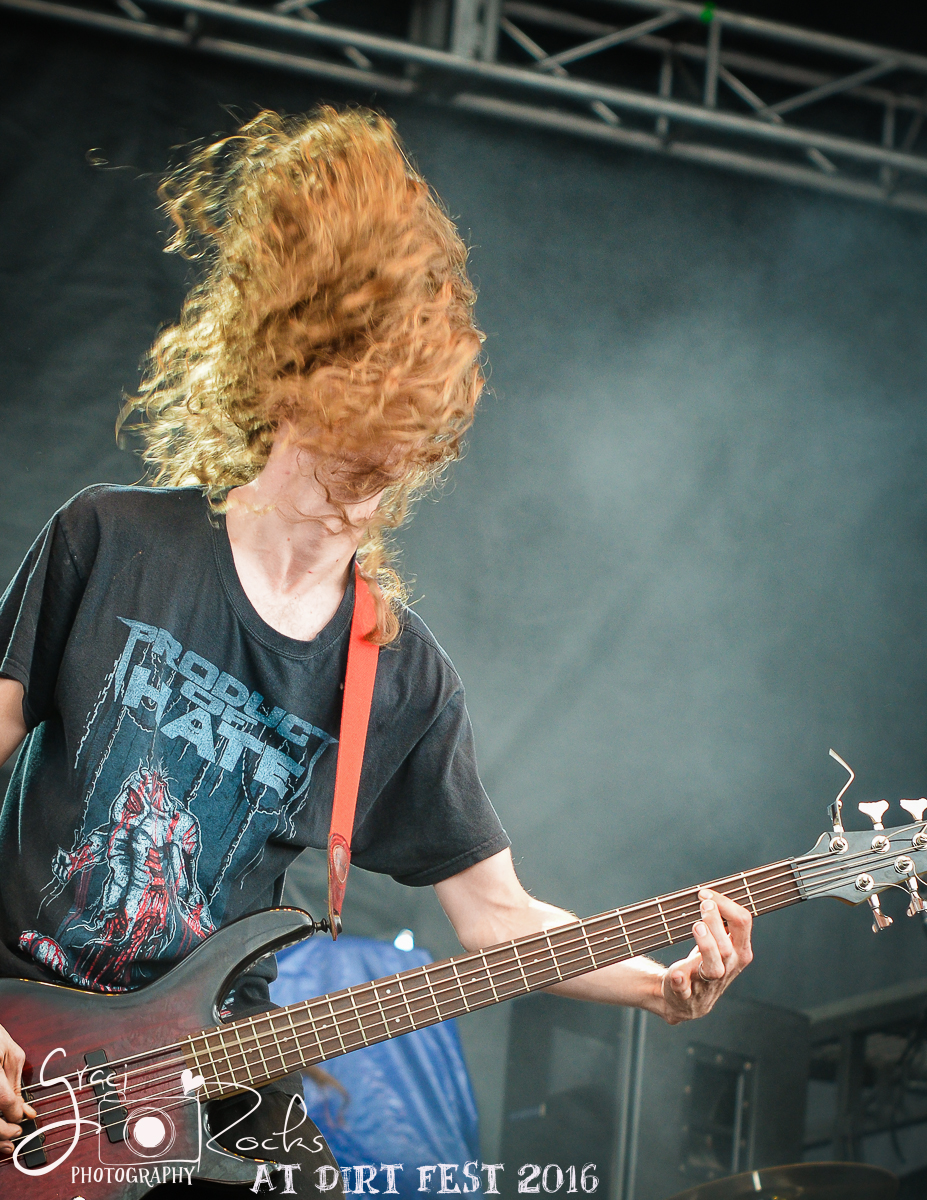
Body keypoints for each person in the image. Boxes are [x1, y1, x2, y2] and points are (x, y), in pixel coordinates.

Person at [0, 108, 752, 1195]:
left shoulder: (399, 677)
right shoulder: (106, 539)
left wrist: (659, 987)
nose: (376, 472)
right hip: (22, 1030)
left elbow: (497, 918)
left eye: (404, 442)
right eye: (358, 428)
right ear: (286, 370)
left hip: (210, 1074)